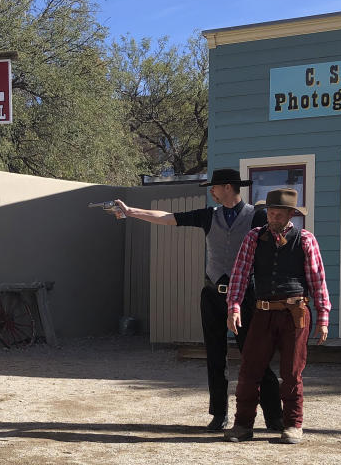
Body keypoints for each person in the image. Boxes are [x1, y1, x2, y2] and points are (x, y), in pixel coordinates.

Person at [114, 168, 282, 431]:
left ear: (227, 187)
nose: (211, 192)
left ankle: (275, 416)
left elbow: (278, 242)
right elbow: (169, 218)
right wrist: (131, 211)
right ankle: (219, 414)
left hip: (244, 297)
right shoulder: (208, 215)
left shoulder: (256, 216)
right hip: (212, 295)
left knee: (254, 356)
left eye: (214, 187)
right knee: (215, 356)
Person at [224, 188, 330, 445]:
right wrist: (234, 307)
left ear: (291, 214)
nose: (273, 217)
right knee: (250, 370)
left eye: (279, 214)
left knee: (292, 372)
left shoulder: (305, 240)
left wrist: (323, 315)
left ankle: (293, 425)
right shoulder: (253, 238)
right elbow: (240, 273)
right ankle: (242, 425)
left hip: (296, 313)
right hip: (262, 312)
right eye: (270, 212)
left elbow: (317, 279)